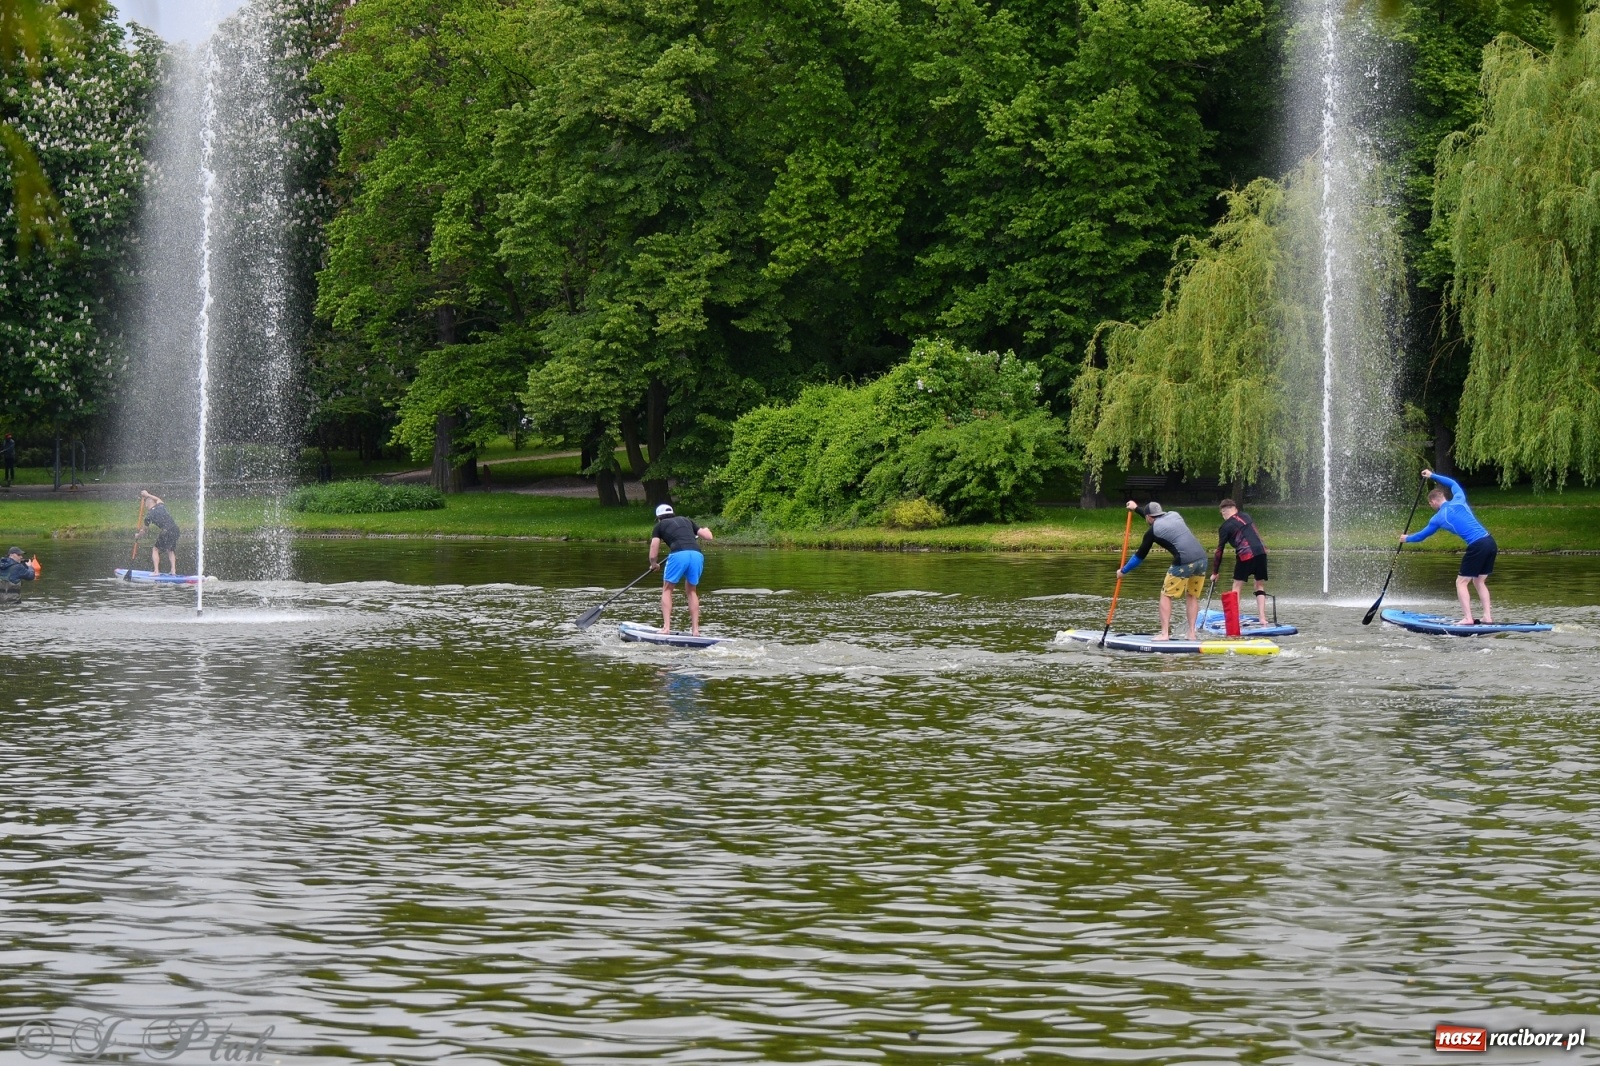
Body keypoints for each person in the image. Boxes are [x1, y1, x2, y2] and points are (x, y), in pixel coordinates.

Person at [1403, 469, 1495, 626]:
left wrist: (1407, 538)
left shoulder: (1438, 518)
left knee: (1461, 582)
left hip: (1477, 545)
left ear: (1433, 502)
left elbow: (1422, 536)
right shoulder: (1459, 499)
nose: (1431, 505)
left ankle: (1468, 618)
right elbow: (1453, 483)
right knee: (1479, 582)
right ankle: (1487, 617)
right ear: (1444, 497)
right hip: (1490, 542)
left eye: (1430, 503)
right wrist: (1432, 475)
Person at [1117, 500, 1209, 641]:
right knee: (1192, 595)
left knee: (1166, 595)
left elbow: (1139, 556)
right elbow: (1156, 521)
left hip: (1184, 561)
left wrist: (1123, 571)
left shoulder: (1151, 532)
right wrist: (1136, 508)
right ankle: (1191, 633)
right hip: (1202, 560)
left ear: (1148, 517)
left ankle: (1164, 634)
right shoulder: (1174, 515)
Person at [648, 502, 713, 635]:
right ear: (672, 514)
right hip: (696, 554)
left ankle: (666, 628)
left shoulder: (659, 526)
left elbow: (654, 550)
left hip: (678, 555)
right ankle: (695, 630)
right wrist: (707, 529)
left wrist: (654, 564)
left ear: (659, 518)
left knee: (667, 589)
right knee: (691, 591)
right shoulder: (686, 520)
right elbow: (708, 537)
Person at [1211, 498, 1270, 625]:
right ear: (1235, 509)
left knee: (1237, 586)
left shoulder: (1225, 527)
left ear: (1223, 512)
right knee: (1259, 585)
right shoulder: (1246, 516)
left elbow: (1219, 551)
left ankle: (1235, 619)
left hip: (1245, 555)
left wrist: (1215, 572)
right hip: (1261, 552)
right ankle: (1262, 618)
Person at [136, 490, 182, 576]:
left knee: (155, 549)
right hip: (176, 530)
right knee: (170, 550)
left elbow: (144, 531)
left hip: (166, 531)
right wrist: (148, 494)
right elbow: (158, 499)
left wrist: (138, 535)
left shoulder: (148, 516)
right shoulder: (161, 506)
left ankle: (156, 572)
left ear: (146, 504)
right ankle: (173, 571)